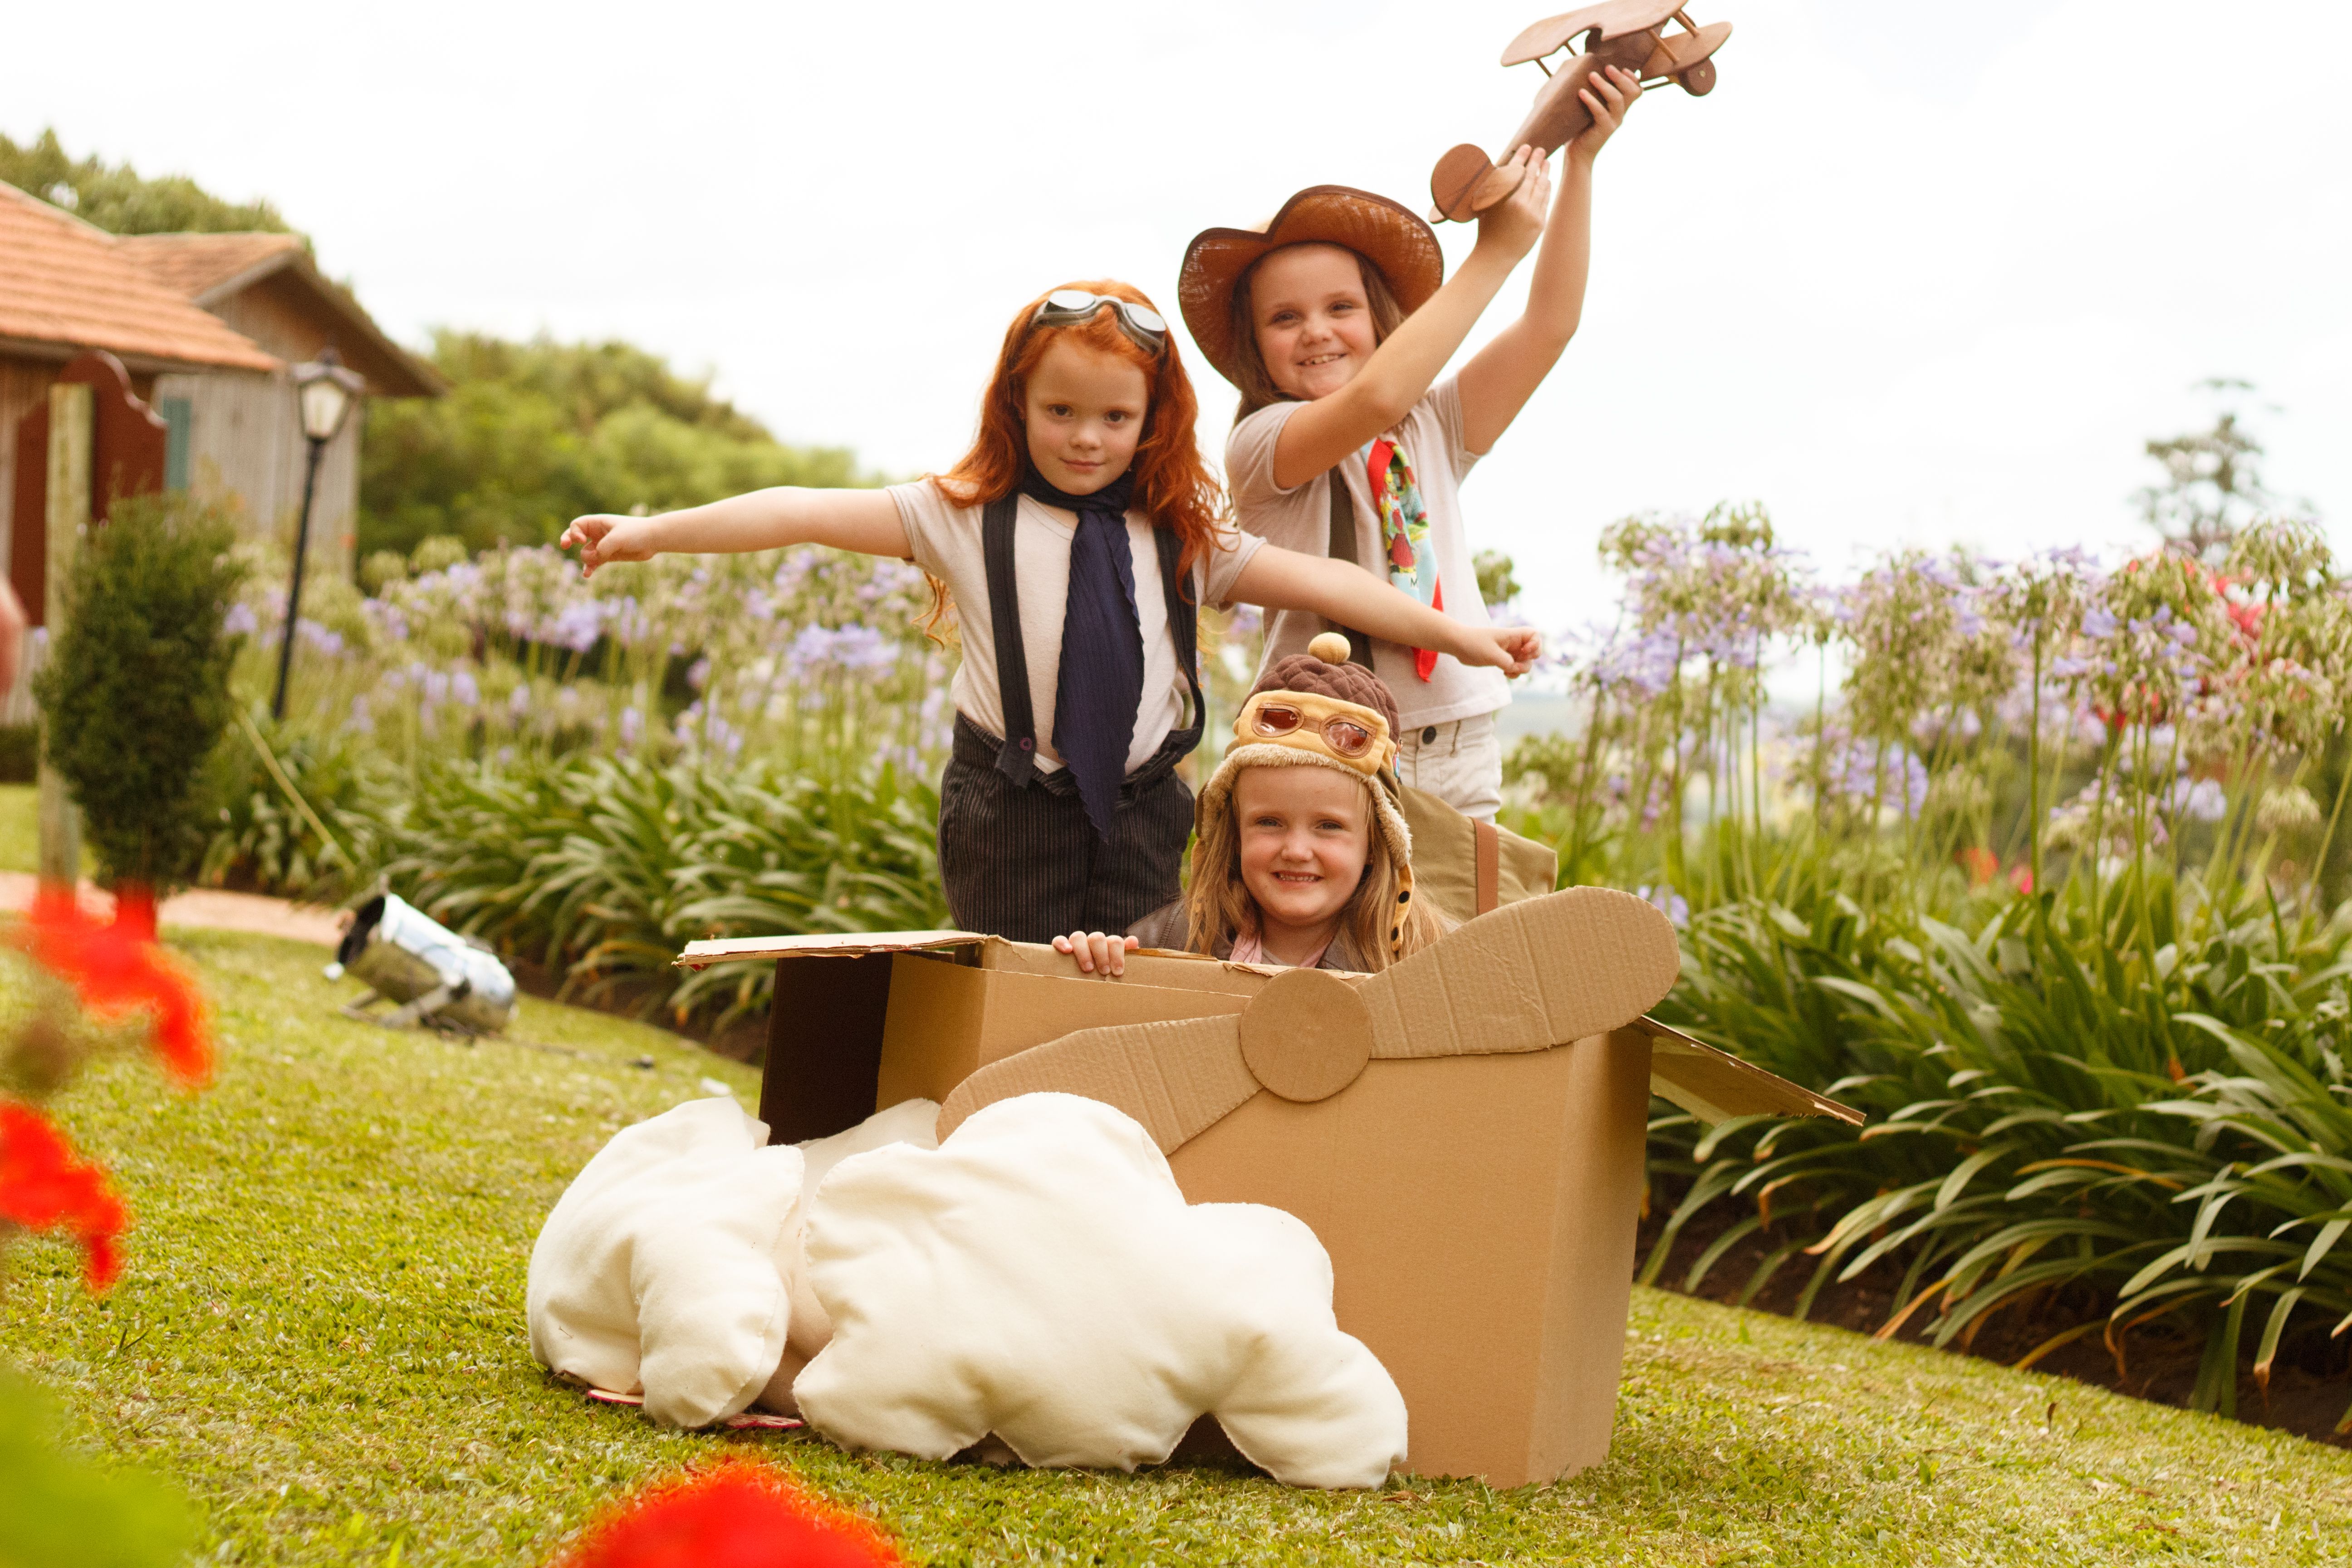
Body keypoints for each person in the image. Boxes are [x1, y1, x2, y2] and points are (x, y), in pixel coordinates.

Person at [560, 282, 1539, 943]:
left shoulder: (1182, 533)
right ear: (1017, 406)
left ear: (1152, 422)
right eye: (1060, 412)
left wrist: (1465, 637)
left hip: (1151, 805)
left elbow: (1334, 584)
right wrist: (651, 532)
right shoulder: (960, 515)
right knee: (1015, 977)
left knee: (1138, 984)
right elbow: (796, 511)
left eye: (1115, 418)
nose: (1086, 438)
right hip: (1010, 805)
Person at [1175, 66, 1642, 820]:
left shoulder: (1428, 426)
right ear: (1253, 348)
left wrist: (1578, 164)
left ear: (1379, 318)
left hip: (1459, 741)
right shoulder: (1264, 445)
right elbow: (1375, 397)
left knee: (1463, 939)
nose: (1317, 331)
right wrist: (1494, 252)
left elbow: (1549, 325)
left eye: (1340, 307)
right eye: (1284, 318)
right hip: (1327, 746)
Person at [1057, 635, 1444, 976]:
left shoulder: (1423, 964)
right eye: (1269, 822)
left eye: (1328, 826)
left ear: (1377, 843)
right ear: (1235, 833)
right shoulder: (1169, 944)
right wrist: (1099, 970)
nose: (1295, 851)